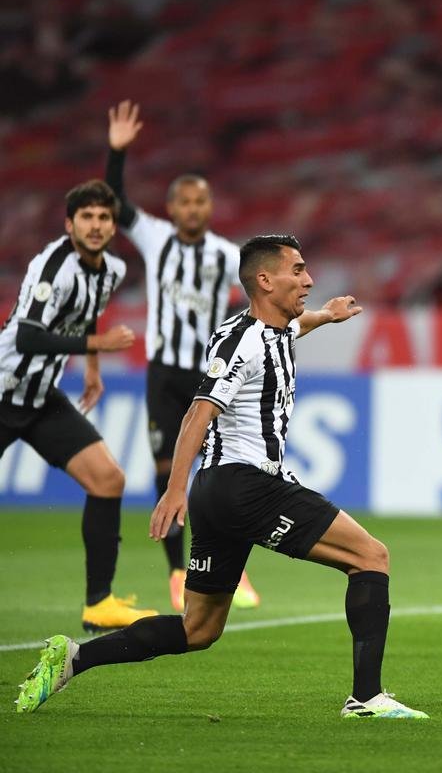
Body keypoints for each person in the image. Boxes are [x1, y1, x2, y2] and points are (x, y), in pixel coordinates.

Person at [17, 234, 428, 719]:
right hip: (247, 485)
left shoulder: (269, 330)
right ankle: (366, 698)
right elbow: (198, 413)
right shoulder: (244, 341)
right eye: (297, 271)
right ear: (264, 279)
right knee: (370, 557)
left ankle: (74, 657)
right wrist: (173, 491)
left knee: (199, 630)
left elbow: (293, 330)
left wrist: (326, 315)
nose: (309, 280)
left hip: (220, 493)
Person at [105, 100, 260, 612]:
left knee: (224, 470)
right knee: (167, 466)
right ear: (171, 208)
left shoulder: (226, 255)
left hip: (210, 373)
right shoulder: (155, 239)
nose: (193, 209)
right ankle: (177, 571)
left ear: (210, 208)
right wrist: (117, 153)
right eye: (185, 202)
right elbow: (115, 202)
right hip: (165, 373)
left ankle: (229, 569)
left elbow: (260, 294)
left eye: (201, 201)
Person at [0, 180, 158, 632]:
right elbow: (29, 336)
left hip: (40, 397)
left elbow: (86, 312)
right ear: (69, 224)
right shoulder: (53, 266)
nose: (95, 225)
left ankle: (99, 603)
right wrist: (98, 344)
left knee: (108, 479)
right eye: (85, 217)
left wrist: (91, 367)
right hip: (3, 390)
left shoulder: (111, 269)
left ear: (113, 227)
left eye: (104, 217)